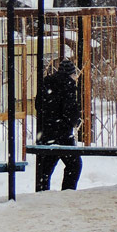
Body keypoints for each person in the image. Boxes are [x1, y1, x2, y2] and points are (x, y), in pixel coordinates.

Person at [35, 58, 83, 192]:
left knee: (45, 169)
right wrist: (72, 121)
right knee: (74, 165)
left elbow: (38, 105)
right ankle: (67, 192)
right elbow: (70, 111)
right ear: (71, 74)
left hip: (46, 133)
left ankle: (42, 195)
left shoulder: (46, 83)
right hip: (63, 135)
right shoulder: (69, 85)